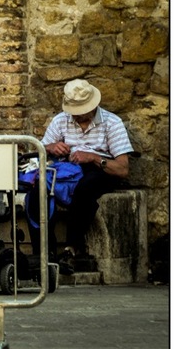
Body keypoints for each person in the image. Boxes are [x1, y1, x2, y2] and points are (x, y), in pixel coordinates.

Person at [40, 78, 134, 274]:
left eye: (82, 111)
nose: (77, 116)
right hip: (69, 170)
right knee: (40, 188)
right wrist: (51, 147)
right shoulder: (61, 120)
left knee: (85, 188)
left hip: (101, 170)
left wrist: (93, 158)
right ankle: (44, 253)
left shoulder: (111, 122)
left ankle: (71, 248)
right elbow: (41, 149)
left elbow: (123, 169)